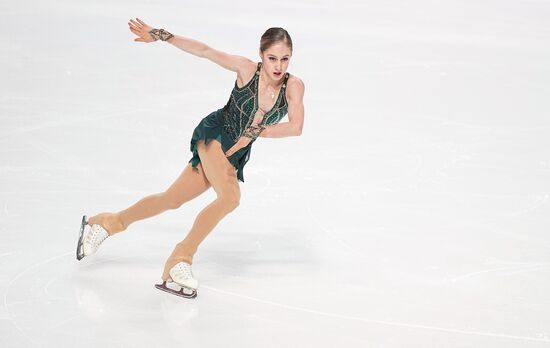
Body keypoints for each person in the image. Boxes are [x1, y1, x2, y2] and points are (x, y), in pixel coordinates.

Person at [76, 18, 305, 298]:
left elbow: (296, 127)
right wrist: (162, 35)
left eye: (285, 59)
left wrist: (258, 131)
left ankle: (105, 223)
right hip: (215, 137)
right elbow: (205, 51)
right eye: (272, 58)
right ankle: (180, 259)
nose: (278, 66)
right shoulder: (246, 70)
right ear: (261, 55)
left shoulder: (293, 87)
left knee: (171, 199)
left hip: (234, 156)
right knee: (230, 198)